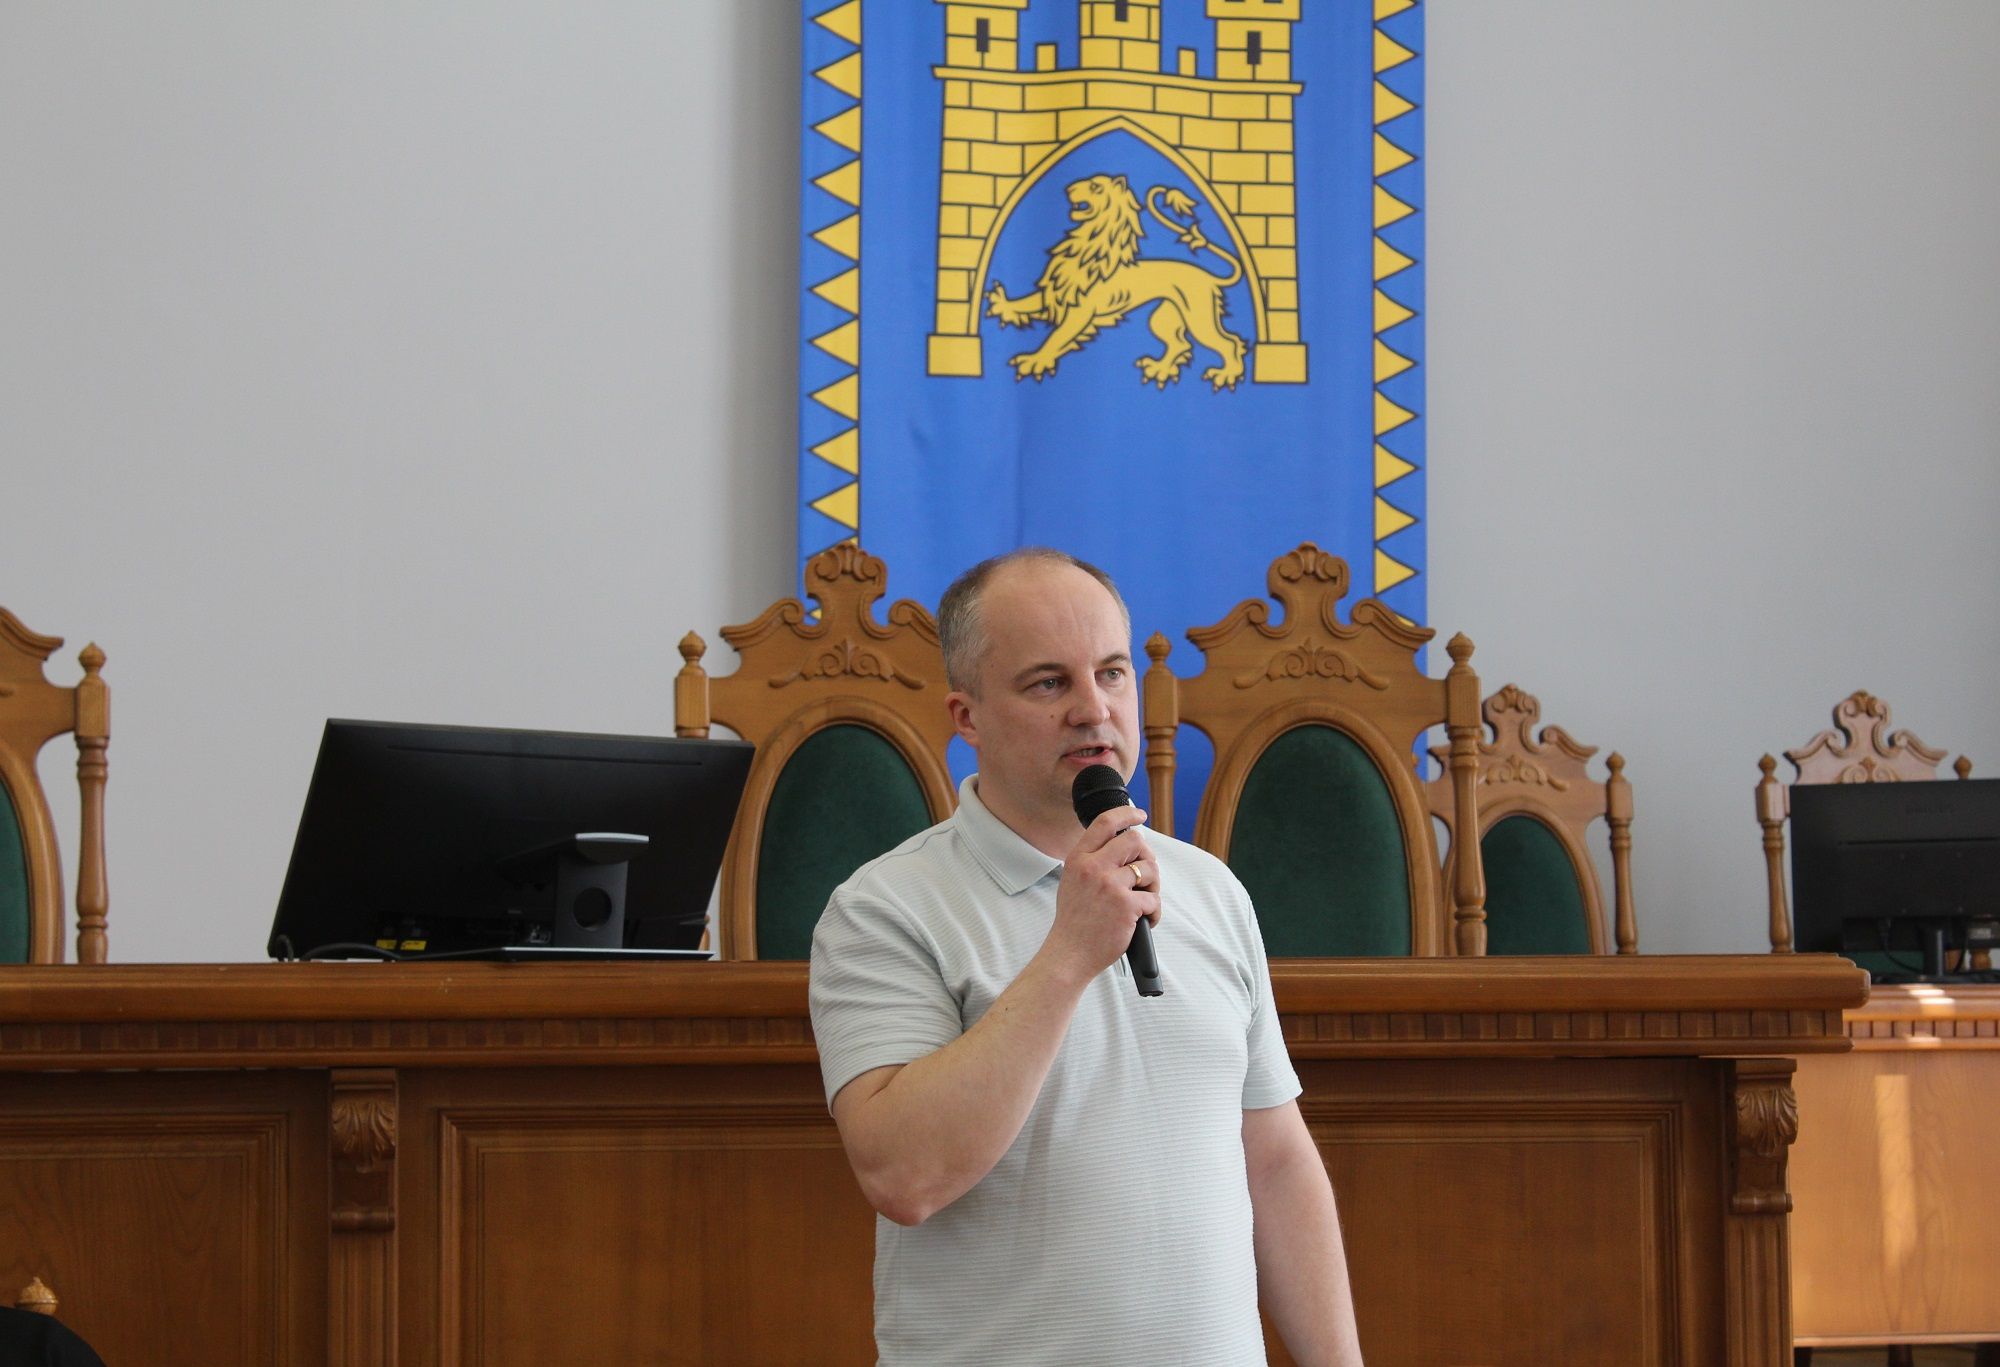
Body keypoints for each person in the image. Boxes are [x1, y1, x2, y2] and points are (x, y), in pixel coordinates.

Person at [809, 547, 1364, 1366]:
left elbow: (1276, 1163)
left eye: (1111, 673)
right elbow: (903, 1175)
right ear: (967, 716)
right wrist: (1068, 953)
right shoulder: (884, 909)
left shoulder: (1211, 890)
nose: (1093, 708)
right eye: (1049, 683)